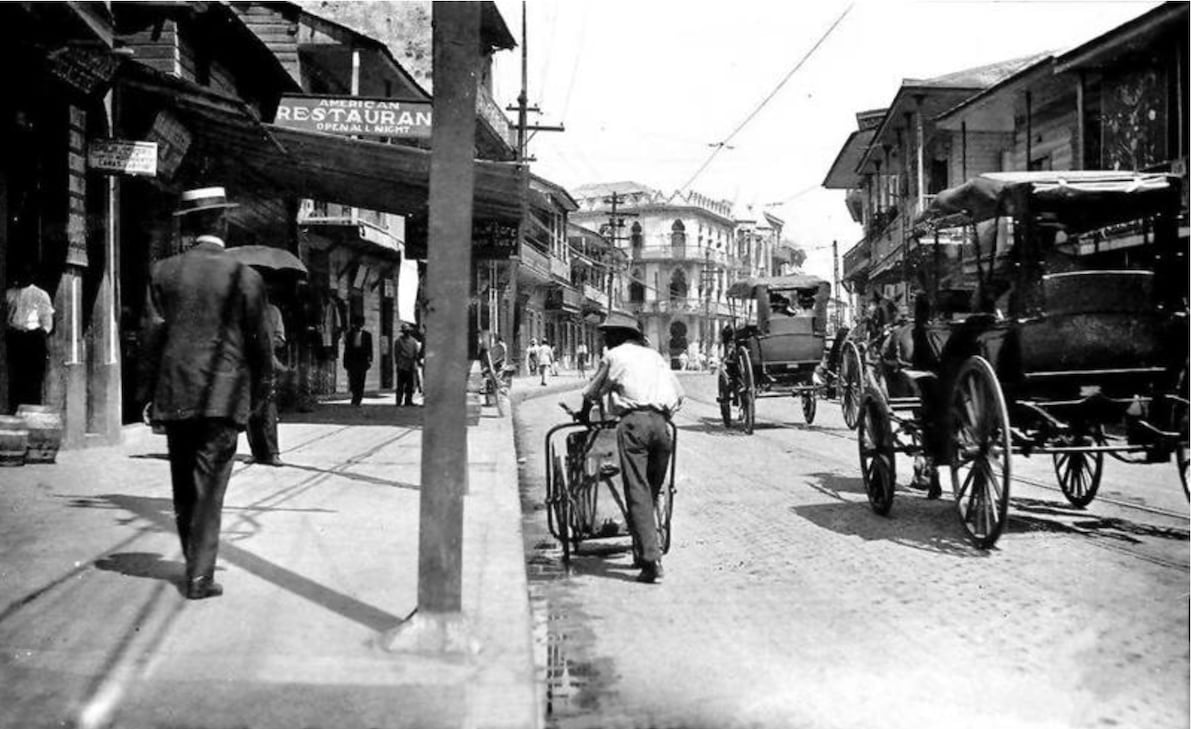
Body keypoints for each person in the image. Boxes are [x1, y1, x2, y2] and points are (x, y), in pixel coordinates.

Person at [138, 186, 272, 600]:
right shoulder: (246, 277)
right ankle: (199, 576)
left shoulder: (163, 271)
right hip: (225, 395)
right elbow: (259, 343)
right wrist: (262, 391)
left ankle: (194, 563)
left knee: (183, 484)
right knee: (210, 486)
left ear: (190, 226)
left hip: (176, 391)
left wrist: (148, 392)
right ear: (223, 223)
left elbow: (151, 337)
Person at [575, 310, 684, 584]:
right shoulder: (655, 356)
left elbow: (591, 392)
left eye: (608, 334)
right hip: (663, 426)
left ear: (619, 336)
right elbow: (679, 396)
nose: (606, 340)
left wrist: (584, 414)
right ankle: (642, 548)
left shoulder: (614, 357)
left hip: (634, 426)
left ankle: (650, 561)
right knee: (651, 491)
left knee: (637, 492)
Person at [5, 262, 54, 412]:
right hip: (15, 338)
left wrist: (39, 335)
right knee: (15, 378)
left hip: (33, 339)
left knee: (33, 379)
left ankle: (32, 413)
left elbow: (47, 322)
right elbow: (7, 318)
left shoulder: (40, 294)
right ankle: (15, 412)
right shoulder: (9, 294)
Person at [247, 293, 285, 466]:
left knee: (268, 408)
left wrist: (266, 341)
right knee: (250, 410)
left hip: (267, 363)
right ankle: (256, 451)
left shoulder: (273, 312)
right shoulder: (244, 311)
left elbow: (280, 338)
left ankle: (273, 452)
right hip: (247, 364)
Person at [342, 315, 372, 406]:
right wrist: (345, 361)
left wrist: (370, 360)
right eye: (357, 323)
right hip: (353, 359)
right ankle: (355, 395)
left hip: (362, 360)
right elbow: (346, 349)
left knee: (361, 380)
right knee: (353, 380)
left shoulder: (367, 335)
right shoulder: (350, 335)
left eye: (361, 323)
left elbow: (370, 349)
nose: (359, 325)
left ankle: (358, 399)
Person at [393, 324, 422, 407]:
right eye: (405, 331)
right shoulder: (398, 341)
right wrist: (398, 364)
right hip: (402, 365)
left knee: (410, 385)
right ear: (403, 332)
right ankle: (398, 401)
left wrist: (415, 363)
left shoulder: (413, 341)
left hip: (411, 365)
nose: (407, 333)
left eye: (408, 331)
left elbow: (416, 354)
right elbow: (396, 354)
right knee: (400, 385)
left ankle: (408, 401)